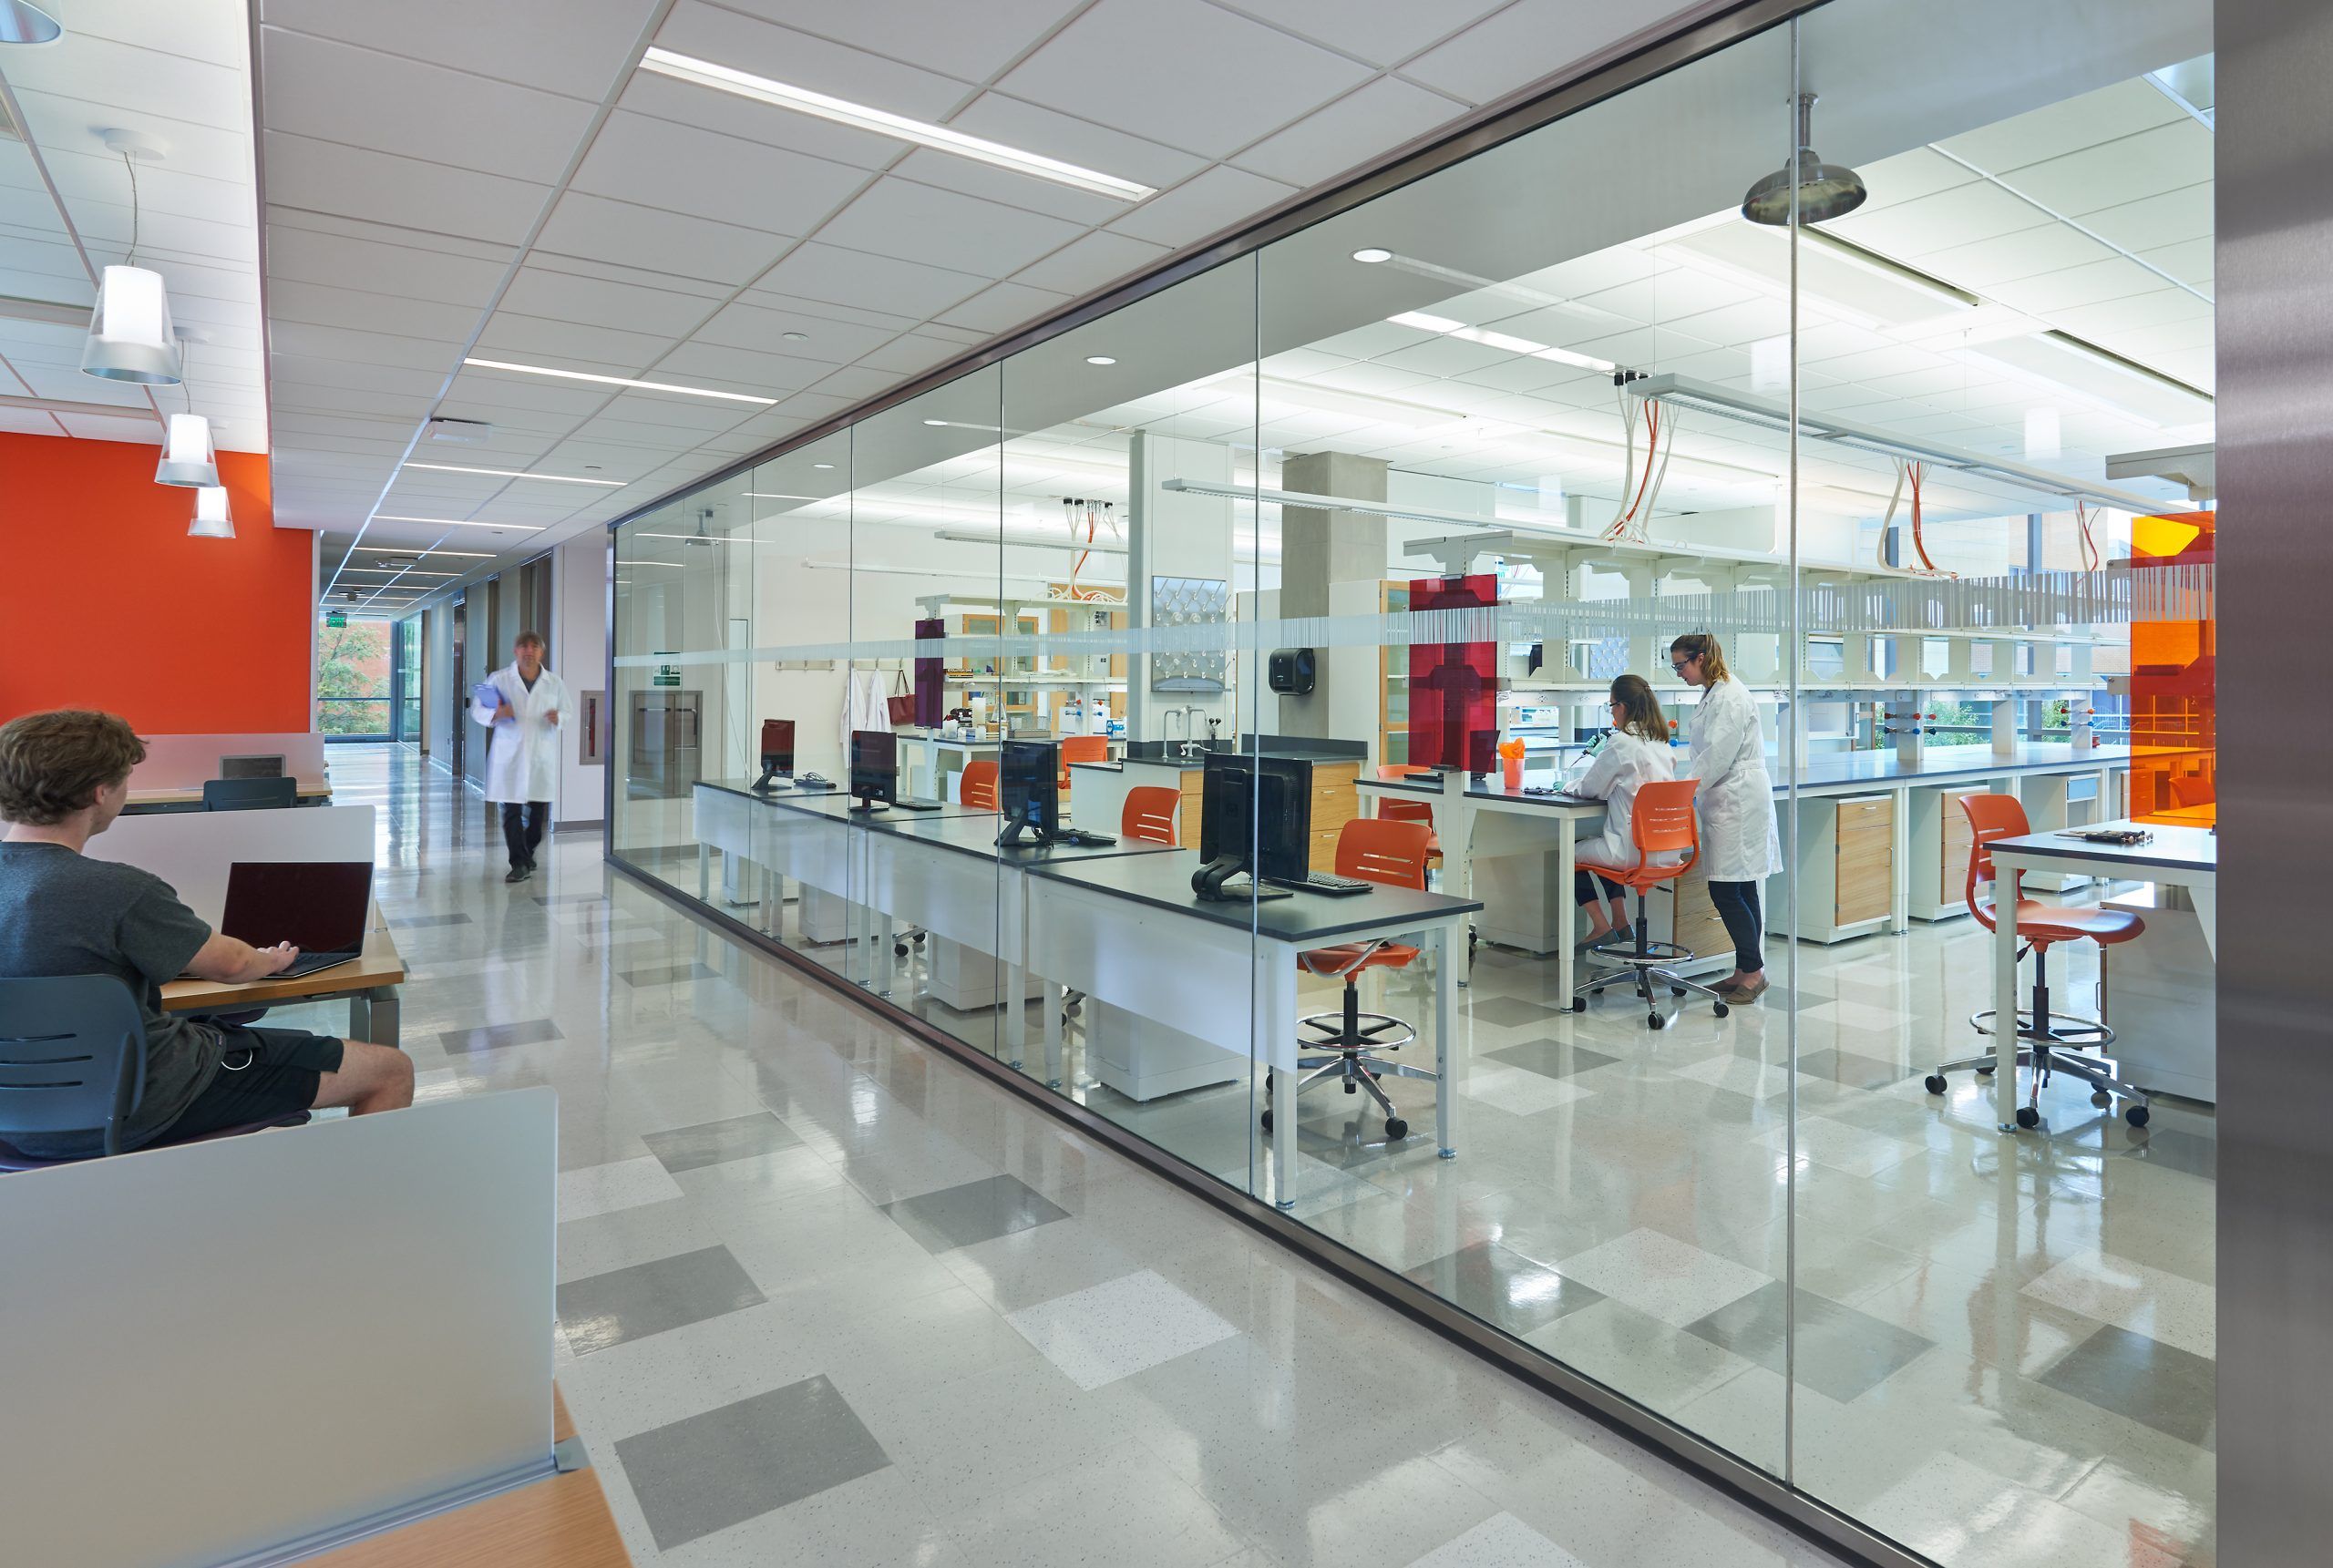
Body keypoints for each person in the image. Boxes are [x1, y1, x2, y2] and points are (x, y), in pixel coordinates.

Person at [0, 710, 414, 1159]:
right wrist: (269, 959)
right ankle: (365, 1210)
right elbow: (233, 966)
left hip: (10, 1118)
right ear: (100, 793)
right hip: (141, 1103)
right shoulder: (120, 891)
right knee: (390, 1070)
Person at [1670, 632, 1783, 1003]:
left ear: (1700, 658)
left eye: (1681, 665)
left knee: (1727, 888)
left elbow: (1717, 756)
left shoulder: (1730, 696)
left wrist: (1682, 791)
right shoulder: (1716, 691)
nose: (1680, 673)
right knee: (1741, 885)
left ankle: (1753, 972)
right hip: (1729, 795)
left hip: (1737, 796)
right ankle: (1746, 968)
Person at [1570, 674, 1680, 947]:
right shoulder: (1662, 745)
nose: (1612, 713)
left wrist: (1567, 785)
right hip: (1667, 851)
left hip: (1632, 852)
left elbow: (1590, 789)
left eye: (1611, 706)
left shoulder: (1621, 742)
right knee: (1603, 846)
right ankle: (1621, 923)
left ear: (1623, 706)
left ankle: (1601, 925)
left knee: (1568, 851)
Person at [472, 630, 569, 884]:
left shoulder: (555, 682)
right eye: (523, 647)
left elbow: (568, 711)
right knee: (511, 812)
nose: (529, 651)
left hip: (540, 755)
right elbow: (477, 709)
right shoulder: (498, 679)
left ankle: (527, 850)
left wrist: (560, 718)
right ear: (515, 651)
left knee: (537, 816)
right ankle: (518, 863)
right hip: (510, 755)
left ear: (541, 652)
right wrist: (495, 714)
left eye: (534, 647)